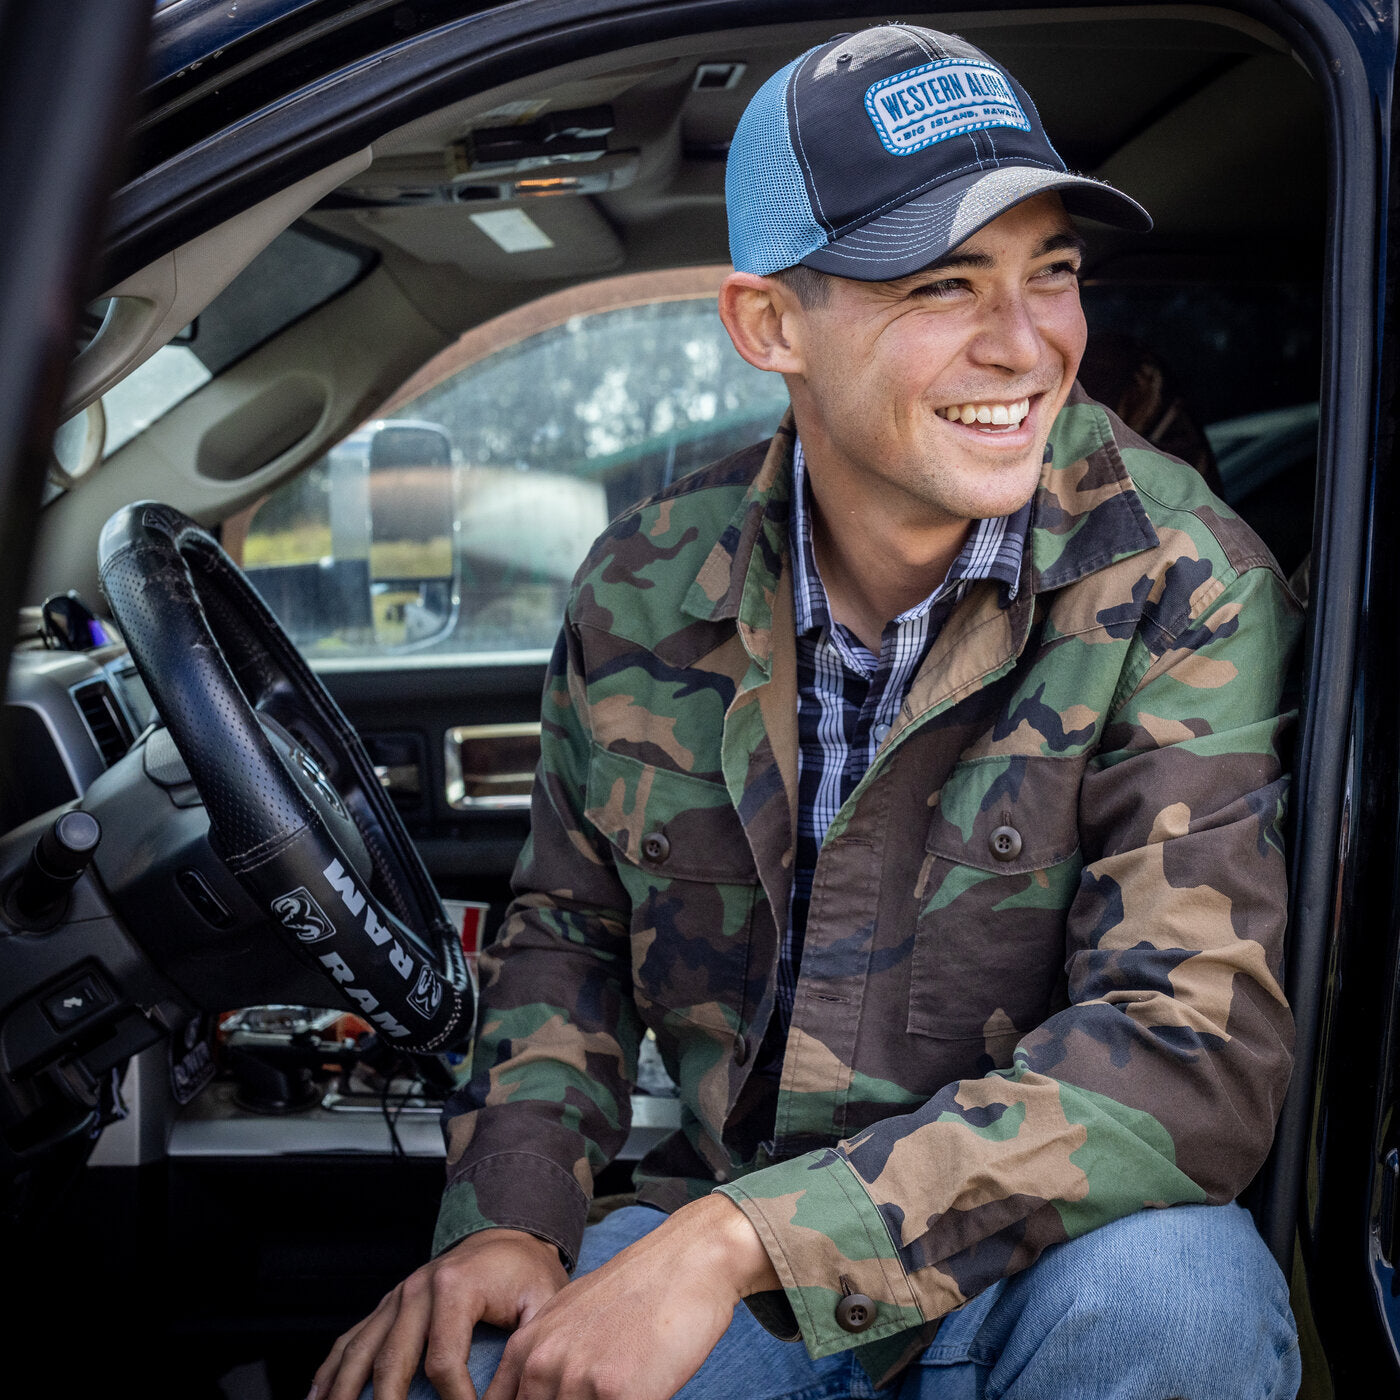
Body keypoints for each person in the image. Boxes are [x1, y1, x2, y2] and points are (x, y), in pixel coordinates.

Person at [315, 24, 1303, 1400]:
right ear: (768, 325)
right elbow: (570, 937)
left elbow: (1187, 1044)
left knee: (1182, 1298)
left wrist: (737, 1238)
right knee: (455, 1368)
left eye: (1053, 273)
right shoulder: (642, 587)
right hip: (736, 1281)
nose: (1027, 346)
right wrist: (514, 1212)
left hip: (1035, 1271)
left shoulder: (1181, 582)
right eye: (945, 285)